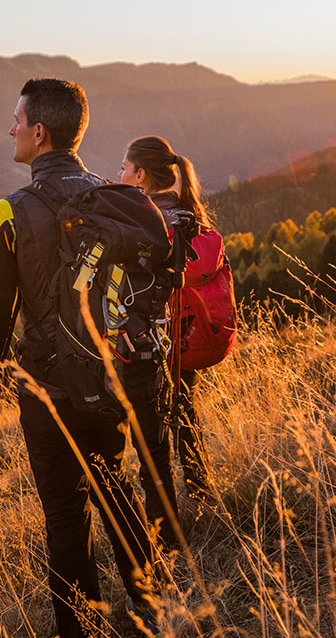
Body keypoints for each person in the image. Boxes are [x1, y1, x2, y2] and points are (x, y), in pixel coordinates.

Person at [0, 79, 158, 638]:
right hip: (110, 373)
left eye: (16, 118)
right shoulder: (116, 198)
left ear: (39, 132)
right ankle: (151, 609)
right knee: (115, 485)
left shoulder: (9, 213)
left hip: (48, 388)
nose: (10, 128)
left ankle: (81, 630)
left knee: (66, 515)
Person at [118, 135, 220, 542]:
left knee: (150, 444)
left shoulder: (141, 221)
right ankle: (201, 491)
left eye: (124, 168)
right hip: (183, 337)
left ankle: (166, 535)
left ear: (141, 175)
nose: (119, 174)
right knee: (184, 416)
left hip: (147, 346)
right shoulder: (187, 215)